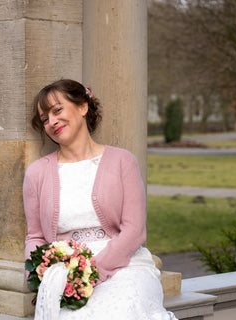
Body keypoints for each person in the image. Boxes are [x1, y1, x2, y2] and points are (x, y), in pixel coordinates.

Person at [23, 79, 178, 320]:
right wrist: (42, 275)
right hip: (66, 276)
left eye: (57, 110)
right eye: (44, 119)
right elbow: (35, 237)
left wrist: (91, 273)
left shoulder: (122, 161)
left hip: (125, 268)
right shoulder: (36, 173)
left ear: (83, 106)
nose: (51, 122)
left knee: (122, 311)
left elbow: (134, 231)